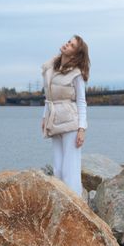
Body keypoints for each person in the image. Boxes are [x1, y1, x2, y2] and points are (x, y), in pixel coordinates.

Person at [41, 35, 90, 196]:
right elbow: (49, 98)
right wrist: (44, 117)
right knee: (58, 168)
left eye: (72, 45)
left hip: (71, 123)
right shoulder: (51, 69)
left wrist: (82, 129)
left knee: (71, 169)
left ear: (75, 54)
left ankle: (75, 206)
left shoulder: (76, 74)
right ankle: (61, 203)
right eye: (68, 42)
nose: (67, 44)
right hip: (54, 121)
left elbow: (82, 102)